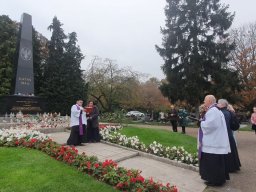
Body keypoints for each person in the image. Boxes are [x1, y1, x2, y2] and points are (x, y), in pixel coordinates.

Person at [199, 95, 230, 186]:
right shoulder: (215, 110)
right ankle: (214, 179)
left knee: (213, 163)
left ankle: (215, 181)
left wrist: (201, 122)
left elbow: (211, 125)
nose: (204, 102)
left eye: (205, 100)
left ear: (209, 101)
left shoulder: (213, 111)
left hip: (213, 142)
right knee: (215, 162)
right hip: (214, 141)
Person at [217, 99, 241, 173]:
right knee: (232, 151)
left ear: (222, 104)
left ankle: (229, 167)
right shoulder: (229, 112)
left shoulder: (221, 113)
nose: (217, 104)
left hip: (225, 135)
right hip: (230, 135)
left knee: (227, 152)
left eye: (218, 103)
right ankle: (234, 166)